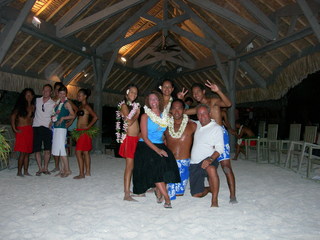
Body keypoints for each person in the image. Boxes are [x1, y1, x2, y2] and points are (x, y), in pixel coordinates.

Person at [179, 80, 238, 203]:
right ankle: (210, 187)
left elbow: (228, 103)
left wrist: (218, 91)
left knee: (226, 167)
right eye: (193, 93)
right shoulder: (198, 109)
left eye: (198, 92)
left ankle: (232, 195)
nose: (196, 95)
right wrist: (181, 101)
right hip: (206, 138)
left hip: (219, 135)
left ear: (204, 91)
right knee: (209, 165)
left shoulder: (214, 102)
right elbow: (182, 113)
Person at [132, 91, 180, 208]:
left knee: (169, 163)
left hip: (160, 143)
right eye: (151, 99)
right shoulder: (145, 116)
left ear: (159, 101)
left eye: (155, 99)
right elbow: (144, 136)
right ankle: (167, 198)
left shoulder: (166, 115)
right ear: (148, 102)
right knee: (157, 166)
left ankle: (158, 191)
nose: (153, 101)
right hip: (146, 145)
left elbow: (167, 131)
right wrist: (158, 151)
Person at [189, 104, 224, 207]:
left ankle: (214, 200)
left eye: (204, 113)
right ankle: (210, 189)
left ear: (209, 114)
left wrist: (210, 159)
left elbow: (220, 149)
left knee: (211, 169)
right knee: (196, 194)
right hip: (195, 163)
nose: (201, 116)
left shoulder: (216, 128)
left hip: (208, 158)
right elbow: (184, 116)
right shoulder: (197, 125)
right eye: (199, 114)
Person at [164, 99, 196, 200]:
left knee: (178, 194)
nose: (177, 111)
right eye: (174, 108)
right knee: (168, 194)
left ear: (184, 110)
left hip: (184, 162)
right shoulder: (165, 126)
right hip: (169, 162)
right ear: (171, 110)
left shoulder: (192, 125)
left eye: (179, 108)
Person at [116, 85, 140, 200]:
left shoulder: (133, 106)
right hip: (129, 138)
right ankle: (126, 193)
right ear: (127, 93)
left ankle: (129, 189)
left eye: (136, 93)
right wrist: (137, 114)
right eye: (132, 92)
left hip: (135, 138)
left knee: (133, 165)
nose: (134, 95)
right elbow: (129, 122)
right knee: (129, 166)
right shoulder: (124, 105)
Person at [51, 81, 78, 173]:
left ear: (66, 94)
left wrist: (63, 118)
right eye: (60, 93)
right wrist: (52, 121)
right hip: (56, 128)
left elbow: (73, 115)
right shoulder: (57, 103)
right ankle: (62, 170)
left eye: (64, 93)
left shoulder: (67, 103)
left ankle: (68, 170)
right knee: (58, 148)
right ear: (58, 93)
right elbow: (55, 115)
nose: (62, 95)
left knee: (62, 148)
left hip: (62, 128)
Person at [73, 89, 98, 179]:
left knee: (78, 152)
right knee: (85, 152)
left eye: (80, 95)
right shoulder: (81, 106)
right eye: (78, 95)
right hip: (79, 131)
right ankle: (87, 172)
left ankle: (81, 174)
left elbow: (95, 117)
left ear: (85, 96)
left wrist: (88, 127)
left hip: (84, 132)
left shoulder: (87, 106)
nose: (78, 97)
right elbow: (78, 119)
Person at [10, 88, 35, 177]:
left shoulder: (32, 106)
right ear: (24, 96)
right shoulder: (20, 106)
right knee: (22, 152)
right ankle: (19, 171)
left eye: (30, 95)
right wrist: (14, 129)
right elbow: (12, 116)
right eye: (27, 94)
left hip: (29, 130)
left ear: (32, 96)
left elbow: (31, 119)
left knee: (27, 152)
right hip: (21, 130)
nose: (29, 96)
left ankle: (26, 171)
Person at [33, 84, 55, 176]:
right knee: (37, 149)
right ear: (42, 91)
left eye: (48, 90)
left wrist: (52, 122)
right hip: (36, 126)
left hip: (47, 127)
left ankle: (45, 168)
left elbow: (55, 115)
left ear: (51, 92)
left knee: (47, 149)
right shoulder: (37, 100)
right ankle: (40, 168)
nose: (46, 92)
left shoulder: (53, 103)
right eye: (44, 90)